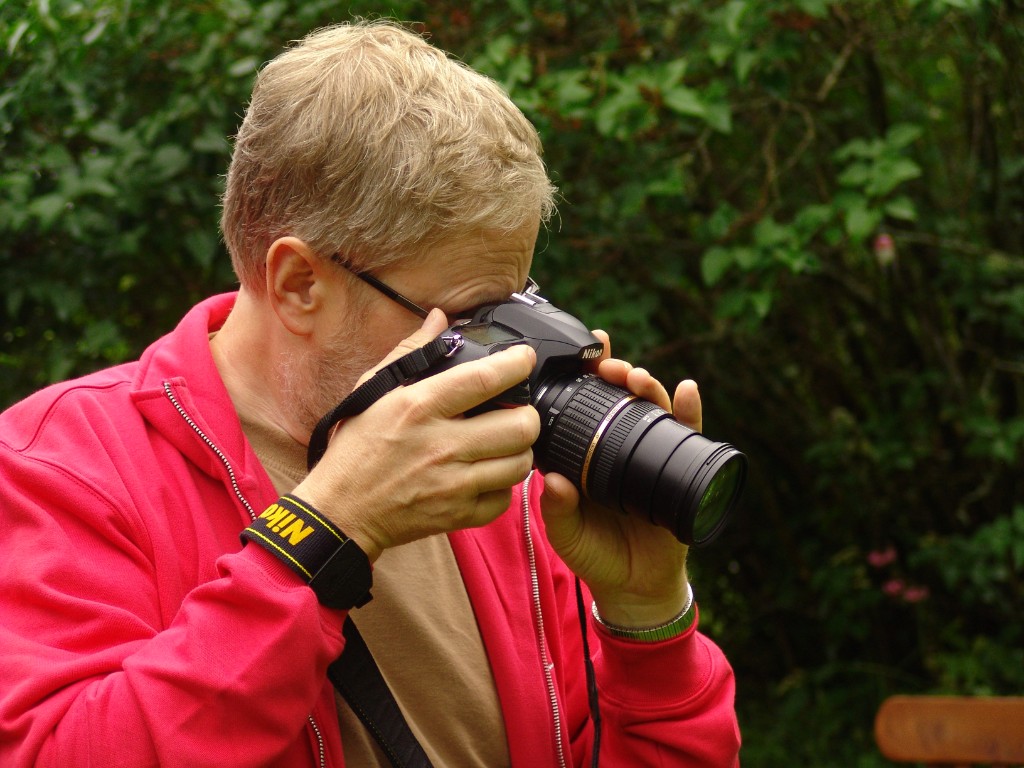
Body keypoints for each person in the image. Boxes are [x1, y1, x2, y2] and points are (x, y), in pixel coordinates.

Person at [0, 20, 740, 767]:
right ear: (299, 285)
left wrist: (647, 621)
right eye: (474, 317)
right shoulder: (65, 468)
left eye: (521, 303)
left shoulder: (504, 488)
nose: (515, 352)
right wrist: (328, 530)